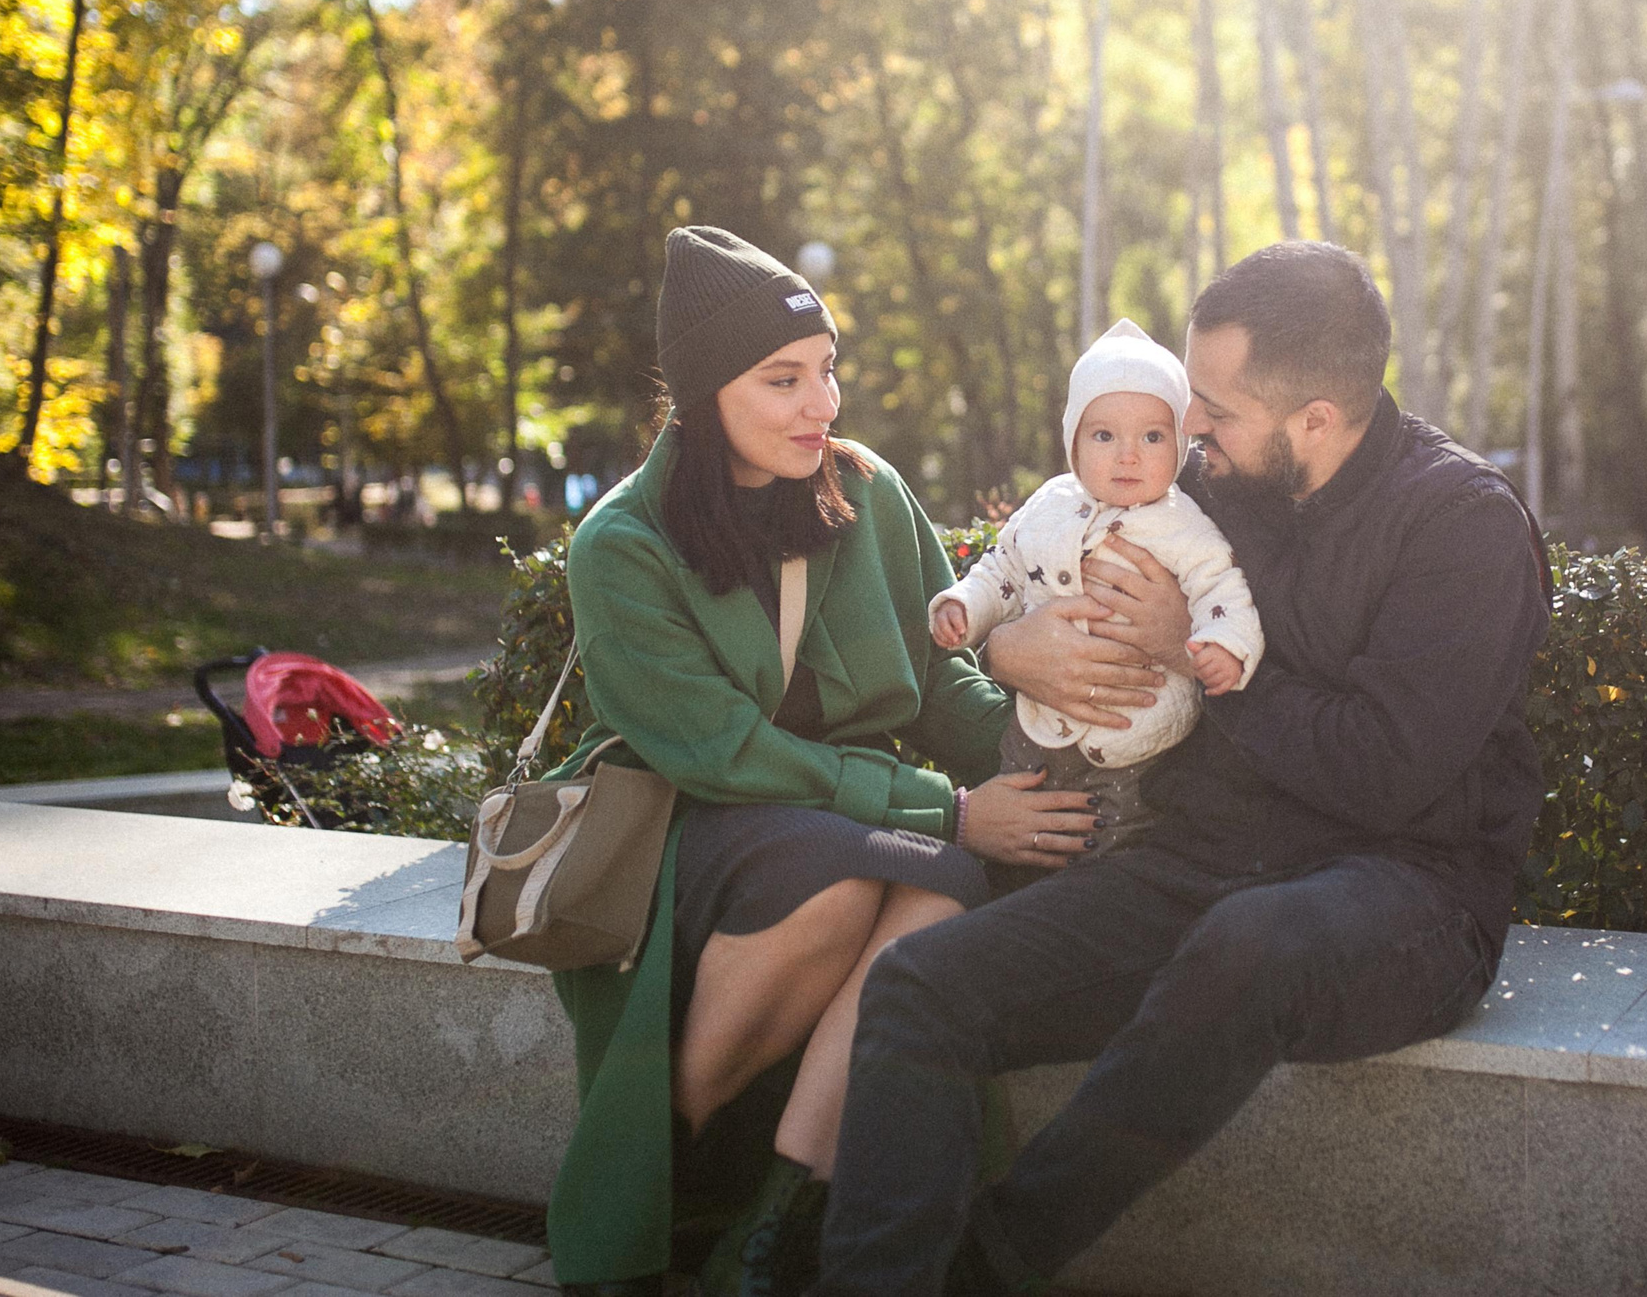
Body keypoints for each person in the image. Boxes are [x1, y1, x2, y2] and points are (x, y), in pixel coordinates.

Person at [814, 241, 1555, 1297]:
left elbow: (1382, 773)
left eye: (1217, 407)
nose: (1189, 423)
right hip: (1200, 861)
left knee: (1246, 943)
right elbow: (1043, 559)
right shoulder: (1212, 484)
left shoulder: (1461, 526)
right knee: (917, 987)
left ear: (1315, 420)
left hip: (1406, 891)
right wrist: (1007, 646)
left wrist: (1193, 656)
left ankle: (986, 1270)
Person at [547, 227, 1099, 1297]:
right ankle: (670, 1165)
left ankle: (781, 1214)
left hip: (842, 822)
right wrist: (949, 809)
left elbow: (939, 686)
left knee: (942, 884)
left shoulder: (866, 491)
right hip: (688, 824)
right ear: (704, 393)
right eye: (783, 379)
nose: (822, 404)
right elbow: (724, 753)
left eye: (827, 369)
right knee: (851, 870)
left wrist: (1064, 760)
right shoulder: (620, 545)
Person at [929, 318, 1263, 860]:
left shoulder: (1185, 526)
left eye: (1152, 437)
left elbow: (1221, 588)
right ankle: (1010, 876)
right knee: (1023, 820)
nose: (1128, 455)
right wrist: (966, 605)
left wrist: (1225, 645)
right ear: (1074, 443)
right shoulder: (1049, 505)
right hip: (1038, 726)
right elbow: (1003, 568)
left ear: (1180, 445)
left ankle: (1094, 884)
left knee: (1113, 844)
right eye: (1104, 436)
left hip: (1139, 738)